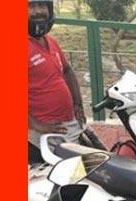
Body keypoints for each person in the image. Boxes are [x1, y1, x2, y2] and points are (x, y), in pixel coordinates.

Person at [28, 0, 87, 163]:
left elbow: (67, 70)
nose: (37, 11)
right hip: (42, 136)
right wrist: (35, 124)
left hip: (68, 126)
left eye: (42, 6)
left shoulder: (50, 41)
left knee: (83, 169)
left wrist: (78, 103)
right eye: (31, 6)